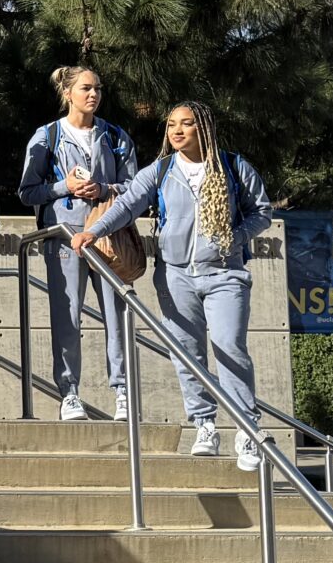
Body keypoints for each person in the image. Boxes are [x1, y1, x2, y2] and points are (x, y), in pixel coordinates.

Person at [73, 99, 274, 470]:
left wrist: (236, 236)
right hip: (175, 275)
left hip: (224, 274)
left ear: (204, 129)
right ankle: (205, 425)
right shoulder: (162, 169)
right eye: (171, 125)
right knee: (187, 353)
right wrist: (93, 231)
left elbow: (263, 211)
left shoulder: (232, 166)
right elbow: (127, 203)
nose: (177, 131)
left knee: (229, 346)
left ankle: (247, 429)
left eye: (186, 124)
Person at [21, 64, 137, 422]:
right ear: (67, 93)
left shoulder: (116, 136)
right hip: (65, 239)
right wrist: (64, 187)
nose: (94, 95)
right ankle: (69, 393)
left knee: (116, 316)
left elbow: (136, 189)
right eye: (86, 88)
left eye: (98, 88)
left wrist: (105, 189)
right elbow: (27, 192)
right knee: (67, 316)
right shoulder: (48, 136)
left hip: (107, 237)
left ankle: (122, 392)